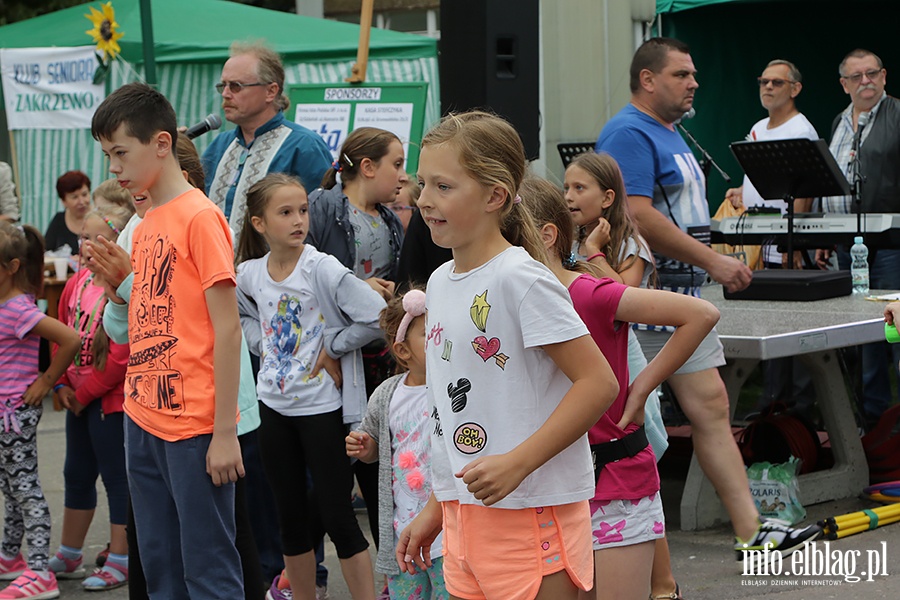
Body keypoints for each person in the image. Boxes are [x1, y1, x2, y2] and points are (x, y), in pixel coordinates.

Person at [596, 37, 821, 561]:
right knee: (630, 422)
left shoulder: (672, 133)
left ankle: (753, 533)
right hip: (649, 301)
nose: (694, 82)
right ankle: (628, 546)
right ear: (648, 80)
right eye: (681, 74)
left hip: (684, 304)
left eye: (694, 73)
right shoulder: (629, 132)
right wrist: (712, 260)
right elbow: (637, 213)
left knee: (713, 407)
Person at [396, 111, 618, 600]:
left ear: (496, 196)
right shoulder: (438, 281)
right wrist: (438, 505)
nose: (423, 199)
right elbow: (455, 413)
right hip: (464, 519)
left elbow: (599, 384)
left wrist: (519, 463)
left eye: (443, 186)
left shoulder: (520, 278)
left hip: (531, 514)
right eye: (421, 183)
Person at [85, 133, 265, 600]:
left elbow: (226, 328)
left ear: (160, 145)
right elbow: (133, 325)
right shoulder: (143, 227)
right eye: (108, 155)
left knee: (209, 567)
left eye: (120, 153)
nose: (113, 168)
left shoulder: (201, 217)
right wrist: (120, 286)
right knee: (160, 565)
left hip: (195, 422)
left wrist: (224, 432)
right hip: (143, 415)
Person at [522, 175, 719, 600]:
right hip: (553, 483)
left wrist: (643, 386)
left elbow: (701, 313)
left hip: (614, 480)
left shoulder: (590, 293)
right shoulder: (511, 300)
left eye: (508, 237)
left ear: (545, 236)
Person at [235, 173, 384, 600]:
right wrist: (263, 343)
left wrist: (333, 345)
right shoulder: (249, 274)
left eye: (302, 210)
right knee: (291, 519)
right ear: (260, 223)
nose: (299, 220)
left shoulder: (321, 267)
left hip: (322, 409)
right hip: (273, 409)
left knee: (338, 517)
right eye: (285, 212)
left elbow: (376, 316)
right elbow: (240, 316)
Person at [49, 206, 134, 591]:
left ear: (116, 242)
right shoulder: (77, 282)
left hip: (108, 403)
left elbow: (120, 355)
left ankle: (121, 557)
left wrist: (84, 393)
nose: (85, 246)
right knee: (76, 474)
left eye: (97, 238)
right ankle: (69, 551)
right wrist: (61, 384)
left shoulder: (118, 288)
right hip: (77, 400)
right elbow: (61, 333)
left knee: (117, 478)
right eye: (83, 237)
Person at [346, 289, 448, 600]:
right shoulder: (387, 394)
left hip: (448, 532)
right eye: (429, 332)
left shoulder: (451, 384)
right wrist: (366, 447)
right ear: (402, 350)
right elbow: (374, 443)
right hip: (402, 534)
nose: (439, 336)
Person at [816, 49, 900, 425]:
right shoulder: (839, 121)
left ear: (884, 77)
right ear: (844, 84)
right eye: (857, 76)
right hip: (845, 243)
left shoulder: (897, 115)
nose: (866, 81)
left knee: (894, 330)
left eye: (872, 74)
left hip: (889, 245)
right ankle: (874, 423)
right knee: (861, 335)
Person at [0, 222, 80, 600]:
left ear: (12, 266)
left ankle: (38, 572)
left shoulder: (18, 309)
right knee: (11, 488)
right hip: (4, 414)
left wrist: (46, 381)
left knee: (26, 490)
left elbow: (70, 339)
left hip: (14, 413)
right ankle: (10, 557)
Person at [203, 41, 332, 245]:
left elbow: (325, 223)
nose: (226, 94)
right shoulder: (219, 146)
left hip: (279, 274)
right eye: (223, 86)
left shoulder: (304, 145)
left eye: (236, 86)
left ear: (271, 91)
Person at [724, 59, 818, 269]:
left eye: (776, 82)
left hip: (781, 243)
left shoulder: (800, 131)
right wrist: (742, 190)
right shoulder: (758, 127)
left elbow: (805, 191)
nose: (767, 87)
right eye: (763, 81)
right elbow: (764, 176)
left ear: (795, 89)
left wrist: (791, 244)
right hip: (754, 239)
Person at [46, 171, 91, 256]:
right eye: (74, 197)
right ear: (63, 201)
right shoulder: (58, 220)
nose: (81, 202)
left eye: (84, 195)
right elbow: (45, 252)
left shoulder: (100, 219)